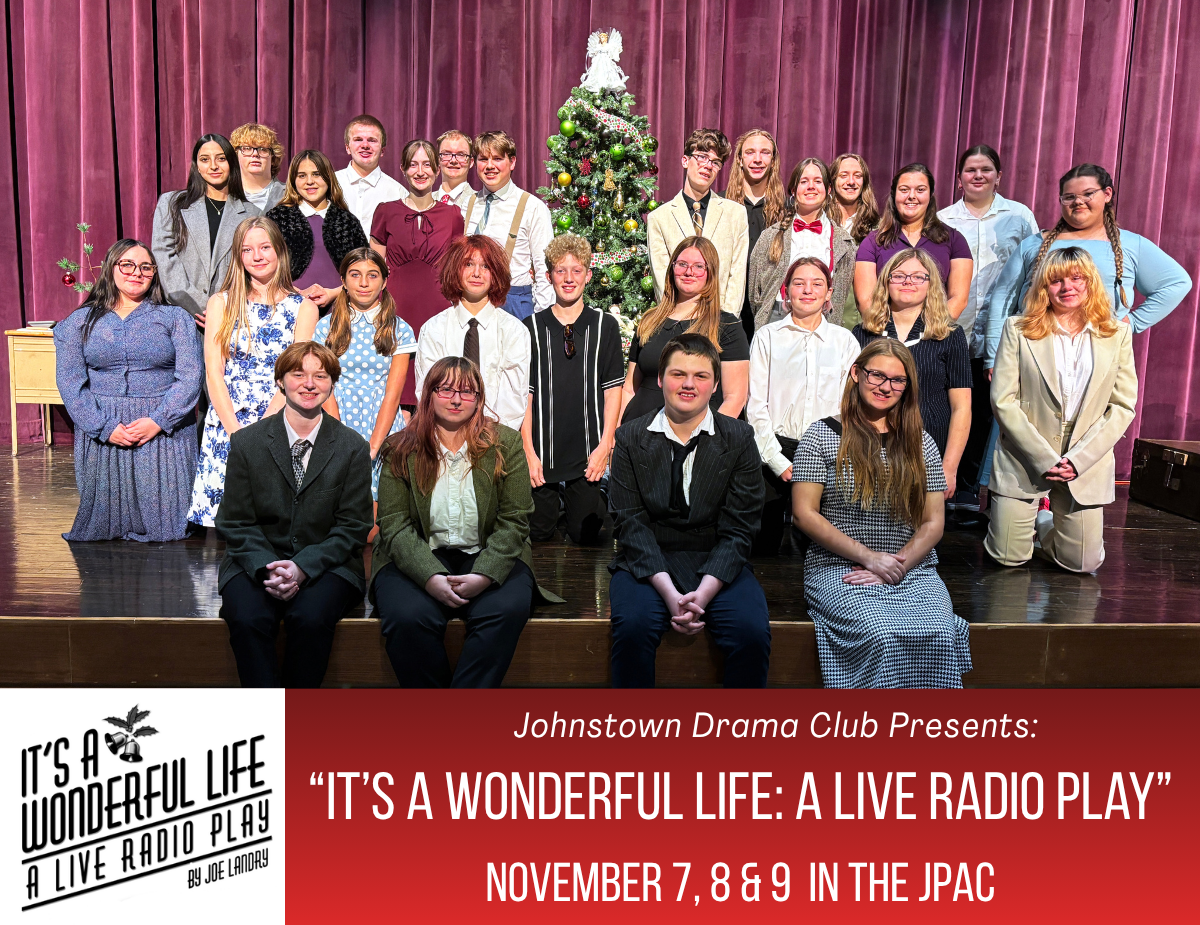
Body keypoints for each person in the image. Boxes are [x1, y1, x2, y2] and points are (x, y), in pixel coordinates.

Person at [791, 339, 972, 689]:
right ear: (857, 374)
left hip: (911, 567)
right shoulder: (822, 435)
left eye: (897, 380)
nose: (886, 386)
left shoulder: (921, 442)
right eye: (876, 375)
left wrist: (896, 564)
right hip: (839, 567)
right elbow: (804, 513)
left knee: (938, 631)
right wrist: (871, 559)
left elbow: (934, 522)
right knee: (880, 632)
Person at [371, 356, 554, 687]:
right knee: (408, 617)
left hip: (487, 551)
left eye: (467, 392)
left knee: (504, 610)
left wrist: (485, 574)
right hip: (419, 553)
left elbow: (516, 520)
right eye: (446, 389)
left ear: (479, 399)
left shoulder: (506, 444)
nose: (456, 399)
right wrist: (429, 576)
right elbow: (394, 525)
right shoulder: (399, 449)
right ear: (428, 394)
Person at [608, 333, 770, 688]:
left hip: (717, 559)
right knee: (633, 628)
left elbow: (740, 527)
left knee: (750, 632)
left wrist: (706, 591)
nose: (688, 384)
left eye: (700, 376)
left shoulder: (739, 438)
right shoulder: (631, 437)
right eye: (678, 374)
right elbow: (629, 524)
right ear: (661, 379)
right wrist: (668, 591)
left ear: (714, 386)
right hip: (647, 560)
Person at [215, 341, 373, 688]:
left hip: (328, 564)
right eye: (298, 374)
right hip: (256, 560)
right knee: (248, 616)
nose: (309, 383)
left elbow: (354, 526)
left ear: (332, 383)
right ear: (281, 381)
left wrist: (303, 567)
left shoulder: (352, 447)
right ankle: (268, 718)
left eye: (321, 375)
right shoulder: (247, 443)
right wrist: (267, 566)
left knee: (310, 617)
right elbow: (235, 521)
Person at [985, 248, 1137, 574]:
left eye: (1076, 278)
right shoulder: (1018, 329)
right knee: (1008, 557)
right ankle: (1019, 519)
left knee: (1083, 564)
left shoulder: (1118, 334)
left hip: (1085, 460)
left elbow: (1123, 406)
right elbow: (1003, 400)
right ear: (1044, 288)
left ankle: (1043, 522)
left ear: (1090, 282)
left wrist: (1077, 461)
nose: (1067, 286)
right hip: (1025, 458)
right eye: (1056, 280)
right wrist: (1044, 458)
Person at [55, 239, 202, 542]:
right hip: (106, 426)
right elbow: (70, 382)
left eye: (145, 267)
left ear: (154, 274)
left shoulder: (175, 318)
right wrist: (103, 427)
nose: (137, 272)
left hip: (164, 429)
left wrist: (159, 421)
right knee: (103, 526)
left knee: (167, 528)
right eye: (128, 264)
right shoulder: (80, 322)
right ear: (111, 268)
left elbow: (190, 377)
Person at [983, 163, 1192, 369]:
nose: (1078, 202)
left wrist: (1133, 322)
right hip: (1033, 356)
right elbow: (1003, 298)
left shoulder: (1129, 245)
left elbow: (1176, 283)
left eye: (1088, 194)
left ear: (1107, 194)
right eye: (1069, 197)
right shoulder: (1033, 244)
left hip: (1099, 359)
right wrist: (993, 357)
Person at [187, 217, 319, 526]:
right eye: (247, 250)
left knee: (274, 524)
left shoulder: (303, 308)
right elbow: (214, 372)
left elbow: (297, 377)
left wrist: (263, 431)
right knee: (229, 534)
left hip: (279, 418)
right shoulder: (221, 303)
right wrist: (235, 433)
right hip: (228, 417)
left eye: (264, 247)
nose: (256, 256)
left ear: (280, 251)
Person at [937, 144, 1037, 505]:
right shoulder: (944, 218)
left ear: (999, 175)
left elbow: (1032, 271)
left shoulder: (1019, 216)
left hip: (1000, 329)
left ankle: (967, 489)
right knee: (949, 407)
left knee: (985, 411)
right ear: (959, 178)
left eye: (986, 169)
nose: (978, 175)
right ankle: (941, 483)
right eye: (971, 170)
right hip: (953, 326)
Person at [747, 257, 858, 555]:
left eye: (817, 284)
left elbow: (850, 406)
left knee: (821, 547)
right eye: (799, 283)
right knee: (762, 544)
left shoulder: (845, 342)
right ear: (786, 291)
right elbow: (756, 406)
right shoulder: (767, 337)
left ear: (829, 293)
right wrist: (777, 461)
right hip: (775, 448)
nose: (807, 290)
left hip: (828, 450)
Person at [522, 235, 625, 545]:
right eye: (560, 270)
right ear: (548, 275)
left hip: (587, 454)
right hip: (543, 452)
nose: (569, 279)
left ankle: (591, 498)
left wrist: (605, 446)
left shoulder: (604, 325)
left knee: (587, 535)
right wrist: (528, 451)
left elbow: (612, 391)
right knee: (538, 533)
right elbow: (525, 395)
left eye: (577, 270)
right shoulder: (531, 327)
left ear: (588, 275)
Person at [852, 248, 971, 495]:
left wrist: (948, 468)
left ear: (931, 284)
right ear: (886, 282)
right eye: (898, 276)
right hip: (868, 451)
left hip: (928, 453)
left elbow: (962, 408)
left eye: (918, 276)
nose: (908, 281)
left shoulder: (950, 335)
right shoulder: (863, 333)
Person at [314, 248, 417, 500]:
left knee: (373, 522)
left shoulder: (399, 329)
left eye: (372, 275)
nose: (363, 283)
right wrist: (338, 438)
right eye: (355, 274)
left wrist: (373, 446)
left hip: (381, 422)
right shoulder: (325, 327)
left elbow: (393, 394)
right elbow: (323, 385)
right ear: (343, 281)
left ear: (385, 280)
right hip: (336, 419)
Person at [370, 139, 465, 405]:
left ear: (437, 171)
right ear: (403, 168)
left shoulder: (453, 215)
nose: (420, 171)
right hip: (394, 309)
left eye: (427, 165)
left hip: (438, 309)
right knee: (395, 390)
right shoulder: (386, 211)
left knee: (435, 387)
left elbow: (456, 268)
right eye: (413, 164)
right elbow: (374, 269)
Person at [620, 236, 750, 423]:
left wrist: (709, 442)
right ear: (672, 269)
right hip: (636, 435)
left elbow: (735, 398)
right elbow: (629, 389)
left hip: (693, 440)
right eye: (682, 264)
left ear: (711, 272)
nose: (689, 272)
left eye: (699, 266)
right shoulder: (649, 321)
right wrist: (616, 435)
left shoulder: (726, 326)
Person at [414, 234, 530, 430]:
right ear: (455, 270)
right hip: (444, 434)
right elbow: (427, 391)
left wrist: (488, 436)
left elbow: (514, 398)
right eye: (468, 264)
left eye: (485, 266)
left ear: (496, 274)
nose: (477, 273)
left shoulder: (514, 331)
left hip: (495, 438)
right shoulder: (433, 329)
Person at [152, 133, 259, 325]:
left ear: (232, 163)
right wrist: (199, 306)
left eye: (221, 158)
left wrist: (223, 309)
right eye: (204, 159)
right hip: (180, 316)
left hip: (232, 317)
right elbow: (164, 256)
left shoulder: (253, 213)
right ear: (197, 166)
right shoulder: (172, 203)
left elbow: (254, 268)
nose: (213, 166)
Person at [854, 163, 973, 322]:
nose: (911, 196)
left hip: (935, 334)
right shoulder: (872, 242)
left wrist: (928, 333)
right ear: (894, 194)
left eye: (920, 190)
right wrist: (892, 334)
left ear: (930, 195)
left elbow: (958, 299)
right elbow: (866, 300)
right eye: (904, 190)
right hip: (886, 336)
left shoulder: (955, 240)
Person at [748, 157, 857, 329]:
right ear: (793, 190)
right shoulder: (770, 237)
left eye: (818, 181)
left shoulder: (845, 243)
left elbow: (841, 294)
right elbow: (755, 293)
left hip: (824, 321)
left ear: (828, 189)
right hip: (777, 319)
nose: (811, 187)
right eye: (804, 181)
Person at [647, 128, 749, 312]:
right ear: (685, 161)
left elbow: (737, 277)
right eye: (702, 157)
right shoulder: (659, 218)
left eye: (716, 162)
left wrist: (726, 323)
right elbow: (663, 281)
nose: (708, 166)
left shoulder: (736, 214)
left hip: (720, 323)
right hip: (677, 323)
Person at [462, 131, 554, 319]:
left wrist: (542, 321)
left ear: (512, 162)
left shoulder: (532, 207)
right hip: (471, 302)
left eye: (497, 158)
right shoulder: (467, 204)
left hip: (514, 303)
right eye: (483, 159)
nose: (489, 166)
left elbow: (544, 269)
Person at [267, 150, 368, 314]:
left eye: (316, 174)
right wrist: (296, 293)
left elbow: (365, 268)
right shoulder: (277, 218)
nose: (309, 181)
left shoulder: (347, 221)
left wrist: (333, 293)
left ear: (328, 177)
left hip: (339, 310)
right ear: (293, 180)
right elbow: (263, 267)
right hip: (287, 308)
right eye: (301, 176)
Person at [725, 129, 787, 340]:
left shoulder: (787, 212)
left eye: (765, 153)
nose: (758, 159)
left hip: (770, 315)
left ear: (773, 160)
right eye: (750, 152)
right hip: (729, 311)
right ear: (740, 159)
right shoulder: (722, 208)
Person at [335, 114, 407, 237]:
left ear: (382, 150)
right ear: (347, 147)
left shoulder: (398, 193)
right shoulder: (329, 184)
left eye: (372, 140)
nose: (365, 145)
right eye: (358, 139)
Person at [230, 122, 287, 212]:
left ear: (273, 157)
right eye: (247, 148)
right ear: (236, 155)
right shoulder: (225, 196)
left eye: (263, 149)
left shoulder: (290, 195)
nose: (255, 154)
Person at [830, 153, 880, 244]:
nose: (851, 182)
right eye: (844, 175)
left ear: (864, 182)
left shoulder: (877, 227)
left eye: (857, 176)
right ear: (833, 180)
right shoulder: (821, 220)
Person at [433, 129, 476, 217]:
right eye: (446, 154)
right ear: (438, 160)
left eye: (461, 155)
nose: (453, 160)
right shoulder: (423, 203)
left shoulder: (480, 204)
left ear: (471, 162)